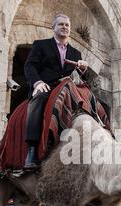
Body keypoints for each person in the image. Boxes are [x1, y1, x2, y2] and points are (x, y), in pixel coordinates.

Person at [23, 13, 89, 169]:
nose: (65, 27)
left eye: (67, 25)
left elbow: (79, 76)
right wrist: (37, 83)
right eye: (61, 24)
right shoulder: (40, 45)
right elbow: (30, 66)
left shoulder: (76, 53)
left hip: (66, 87)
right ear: (53, 27)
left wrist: (83, 70)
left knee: (88, 101)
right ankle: (32, 149)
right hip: (46, 85)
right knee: (39, 98)